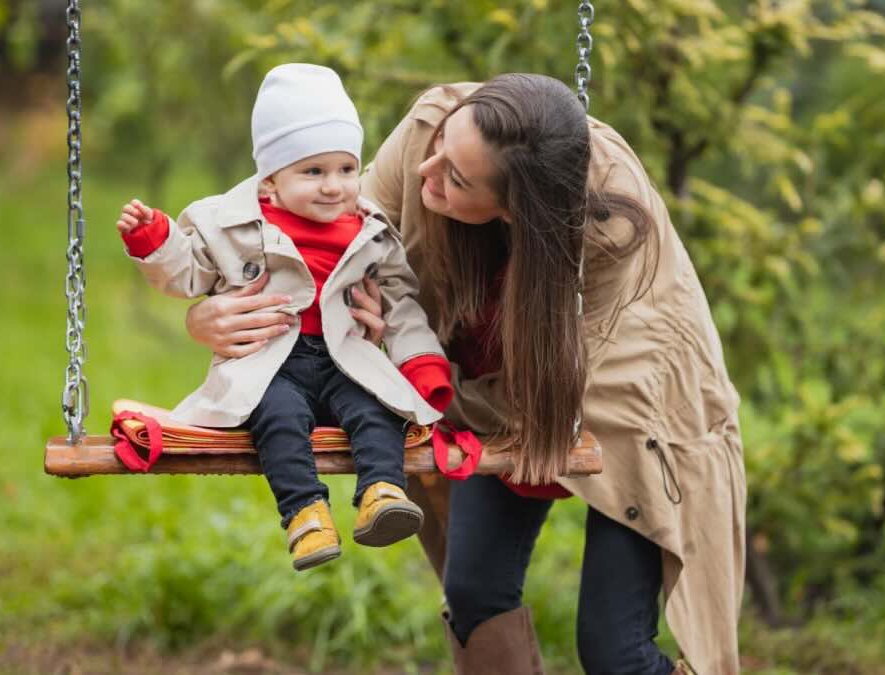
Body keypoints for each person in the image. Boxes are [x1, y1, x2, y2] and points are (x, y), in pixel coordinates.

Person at [185, 74, 746, 674]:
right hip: (476, 388)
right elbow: (312, 251)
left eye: (455, 180)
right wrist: (208, 316)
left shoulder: (608, 229)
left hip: (617, 407)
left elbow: (559, 389)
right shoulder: (432, 131)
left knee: (614, 649)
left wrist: (407, 358)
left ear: (512, 211)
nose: (426, 174)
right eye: (442, 152)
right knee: (475, 597)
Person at [115, 63, 454, 572]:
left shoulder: (371, 232)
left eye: (344, 169)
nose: (333, 186)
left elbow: (401, 303)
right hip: (272, 365)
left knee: (377, 410)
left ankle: (381, 493)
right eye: (312, 172)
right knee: (277, 420)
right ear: (270, 180)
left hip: (347, 361)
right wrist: (156, 241)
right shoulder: (232, 225)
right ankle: (306, 518)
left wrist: (422, 367)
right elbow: (188, 274)